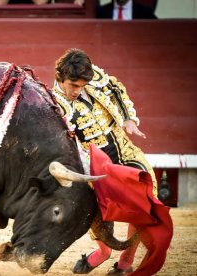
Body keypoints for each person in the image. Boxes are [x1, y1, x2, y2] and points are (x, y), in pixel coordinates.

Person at [51, 48, 158, 275]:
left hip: (123, 150)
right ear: (60, 78)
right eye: (73, 86)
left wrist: (128, 119)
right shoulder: (55, 105)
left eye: (82, 86)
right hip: (93, 165)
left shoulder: (94, 77)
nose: (78, 91)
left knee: (145, 200)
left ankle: (125, 264)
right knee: (98, 216)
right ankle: (101, 254)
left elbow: (117, 90)